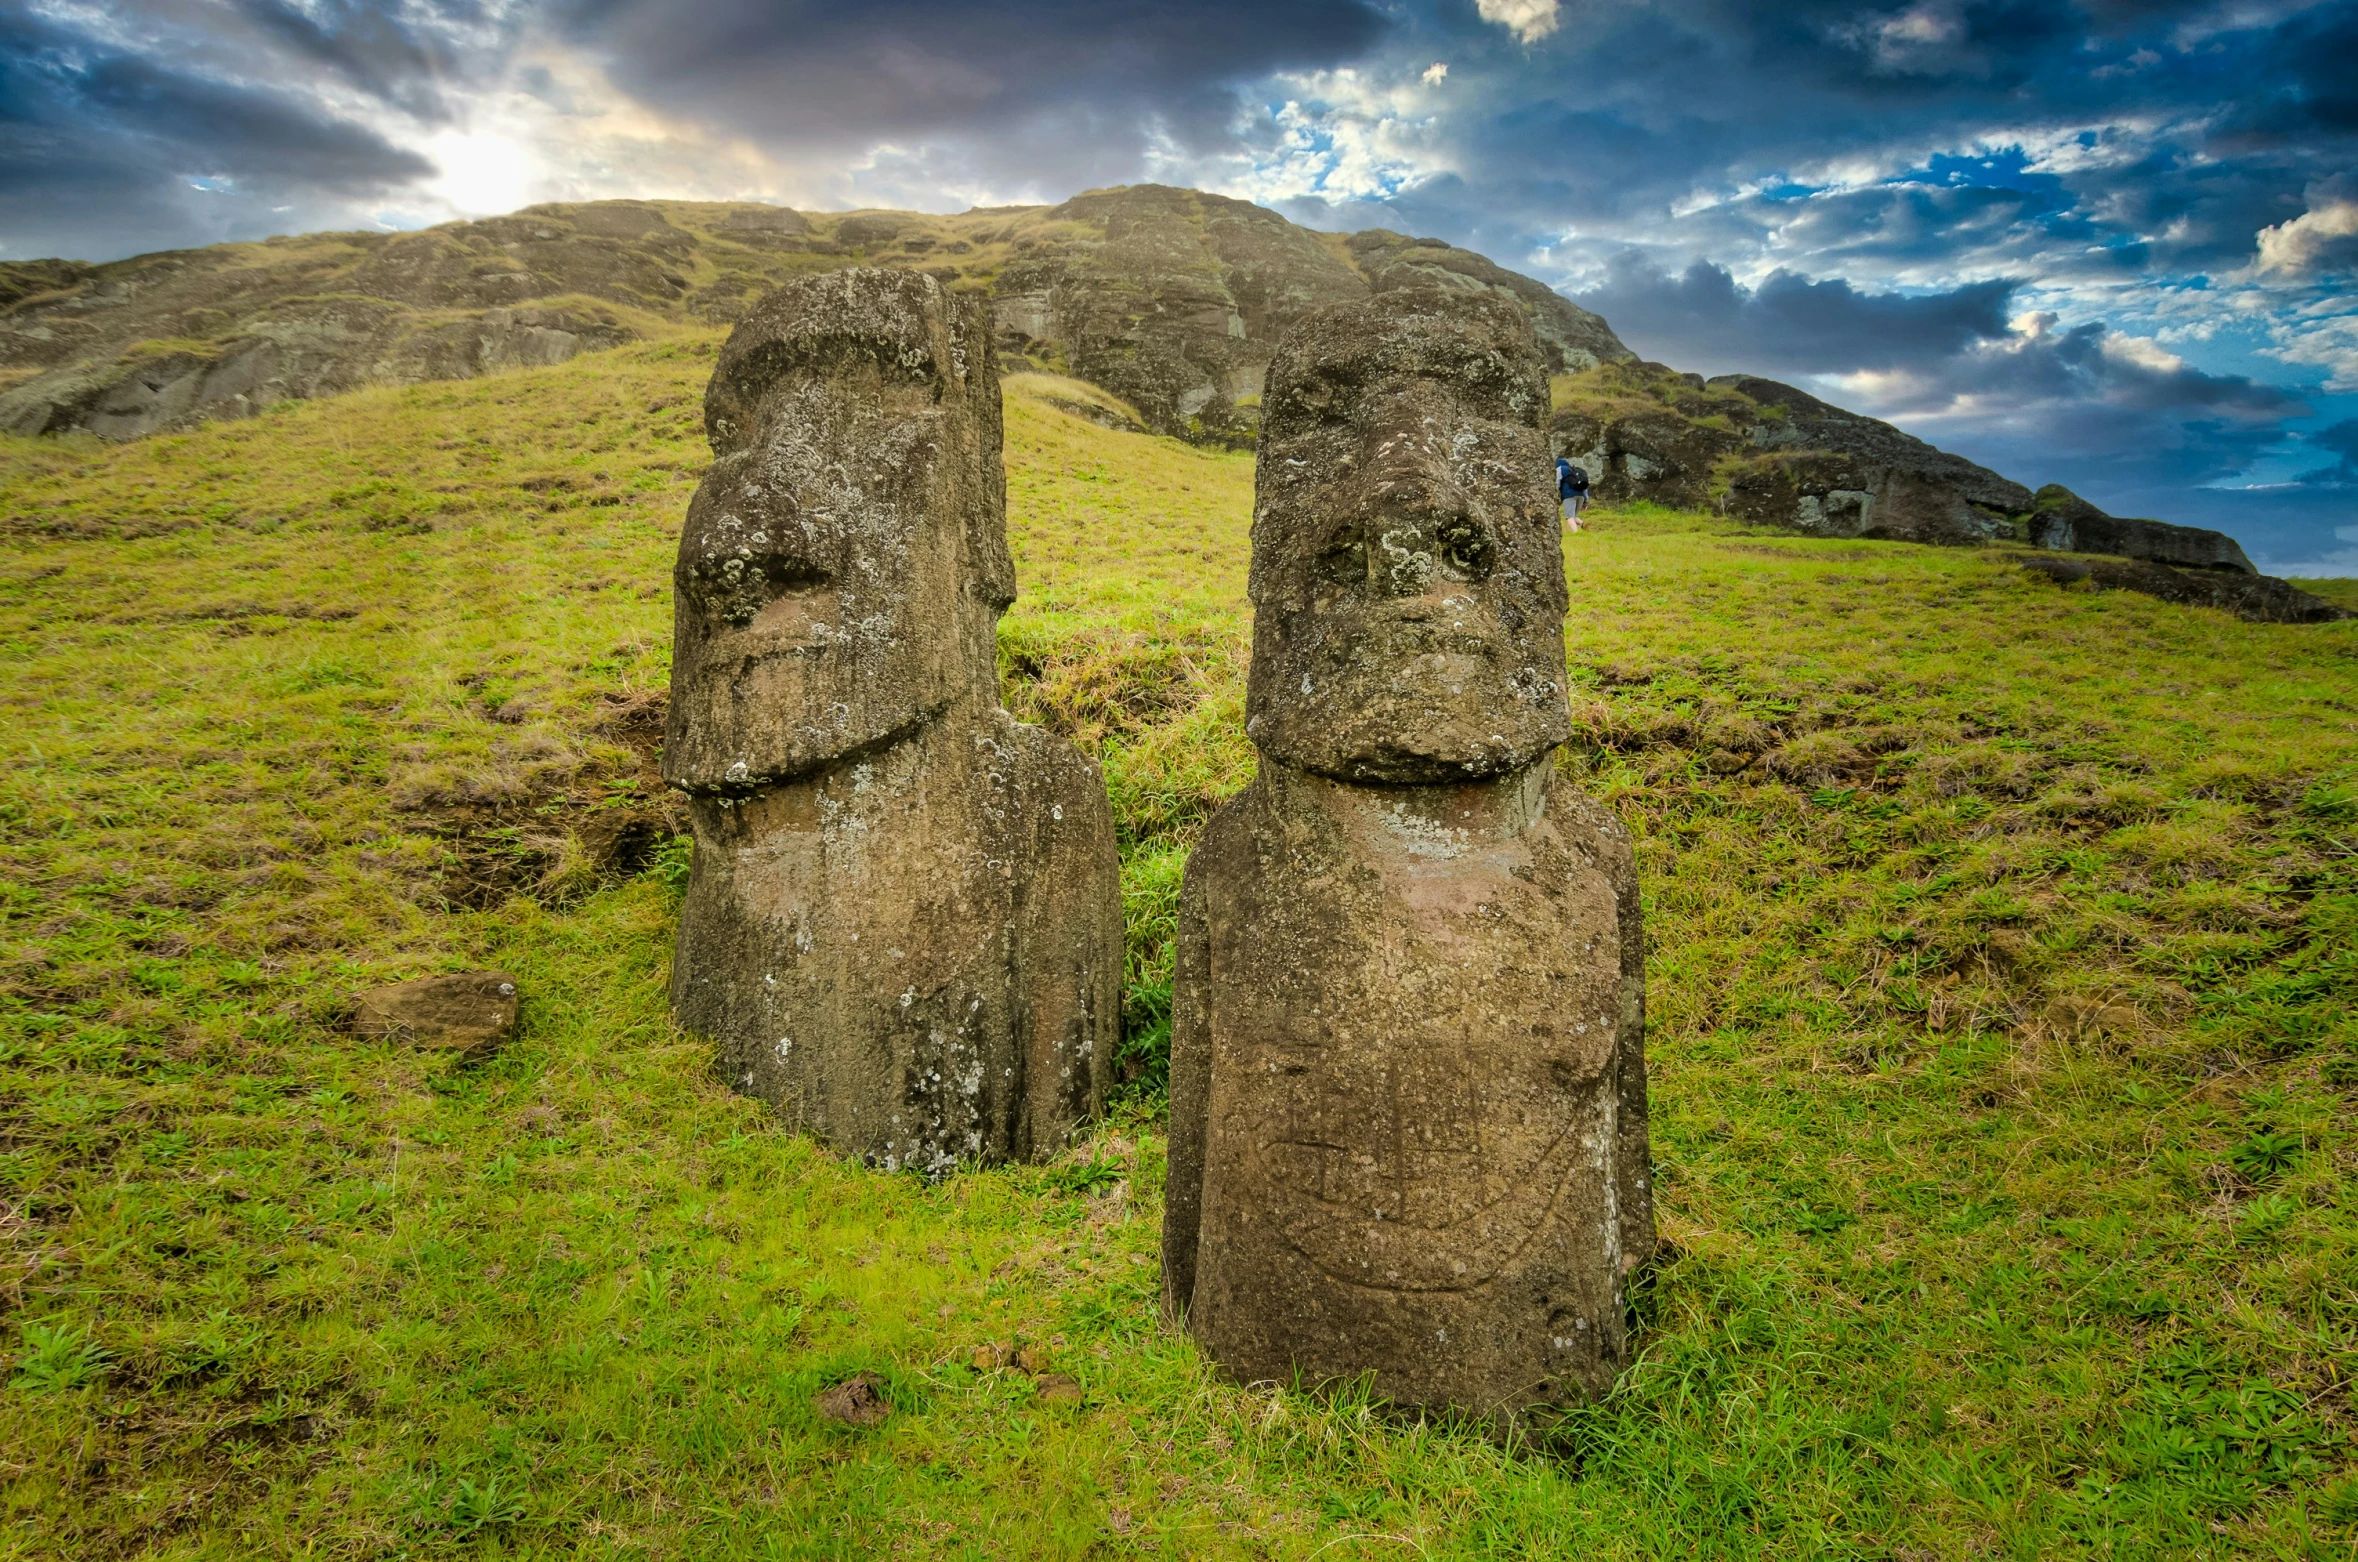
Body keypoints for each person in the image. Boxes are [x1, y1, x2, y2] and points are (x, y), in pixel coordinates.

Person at [1556, 456, 1590, 531]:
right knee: (1573, 516)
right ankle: (1583, 524)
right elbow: (1586, 487)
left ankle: (1576, 533)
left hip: (1569, 495)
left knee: (1569, 518)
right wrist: (1586, 502)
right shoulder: (1575, 471)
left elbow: (1557, 483)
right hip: (1581, 495)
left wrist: (1556, 494)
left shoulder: (1561, 468)